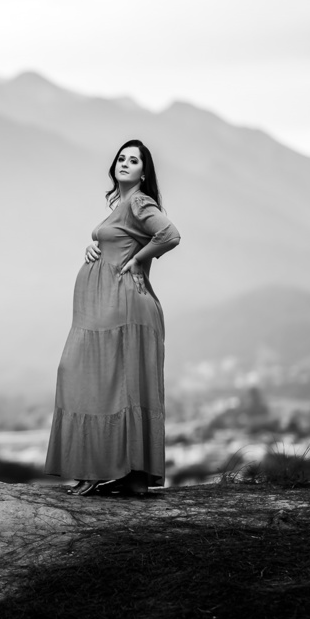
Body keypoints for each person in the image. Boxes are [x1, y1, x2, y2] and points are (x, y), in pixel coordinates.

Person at [45, 139, 181, 496]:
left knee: (90, 380)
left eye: (133, 160)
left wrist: (137, 260)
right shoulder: (123, 205)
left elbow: (170, 234)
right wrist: (94, 245)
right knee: (120, 387)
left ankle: (95, 469)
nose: (124, 163)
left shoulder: (138, 201)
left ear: (143, 171)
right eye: (121, 158)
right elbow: (118, 241)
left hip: (121, 306)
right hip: (107, 308)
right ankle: (130, 476)